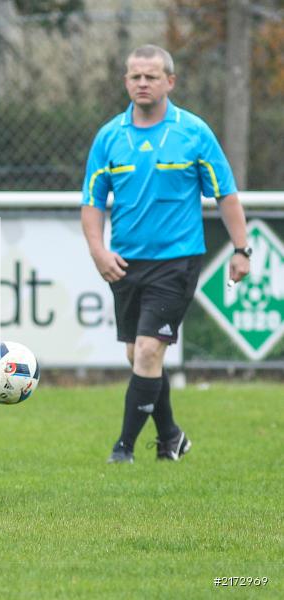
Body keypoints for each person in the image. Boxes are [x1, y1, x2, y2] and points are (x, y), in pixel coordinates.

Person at [81, 44, 250, 464]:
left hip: (178, 259)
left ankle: (124, 448)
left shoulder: (193, 132)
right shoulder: (110, 136)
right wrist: (98, 251)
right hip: (125, 263)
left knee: (148, 351)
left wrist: (241, 249)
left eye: (151, 76)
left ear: (169, 82)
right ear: (125, 81)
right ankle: (172, 434)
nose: (142, 82)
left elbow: (225, 194)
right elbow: (92, 202)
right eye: (135, 76)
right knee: (138, 356)